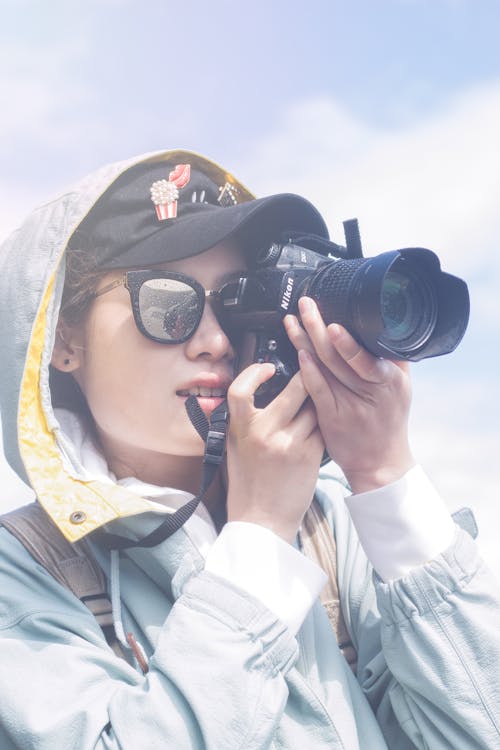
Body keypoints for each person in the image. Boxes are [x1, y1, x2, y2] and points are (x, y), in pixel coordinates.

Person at [0, 149, 498, 750]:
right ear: (63, 338)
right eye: (167, 303)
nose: (213, 341)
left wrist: (384, 473)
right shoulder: (23, 569)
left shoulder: (335, 527)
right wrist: (259, 535)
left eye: (233, 301)